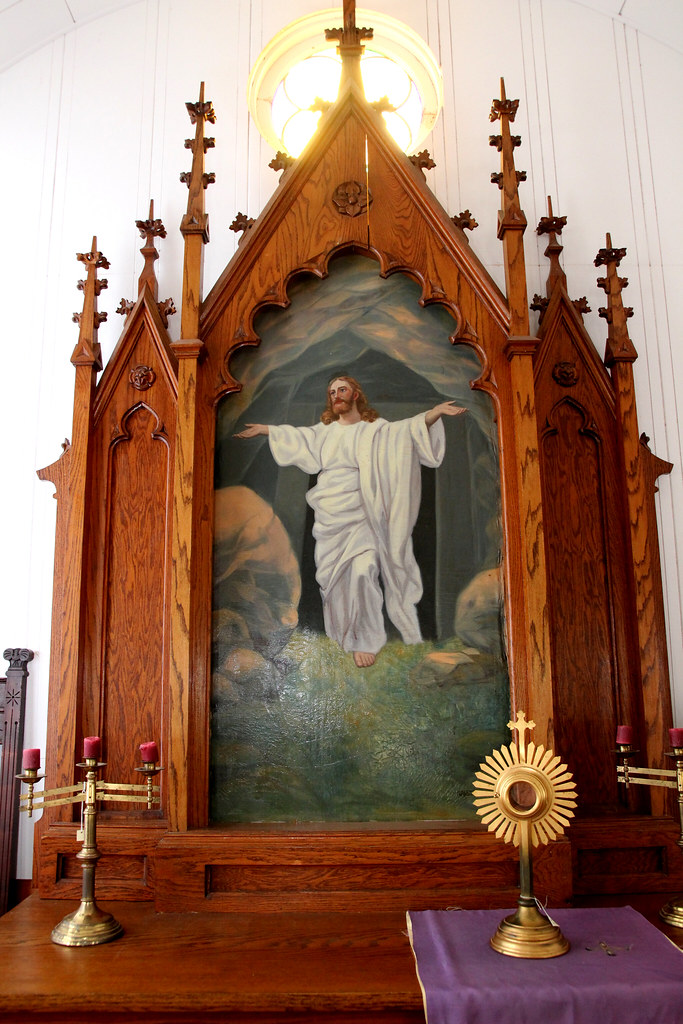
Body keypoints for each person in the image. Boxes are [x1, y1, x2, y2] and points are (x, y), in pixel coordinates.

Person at [235, 376, 465, 667]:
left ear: (355, 393)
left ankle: (364, 640)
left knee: (363, 569)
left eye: (341, 390)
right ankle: (345, 637)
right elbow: (298, 437)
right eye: (331, 392)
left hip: (365, 512)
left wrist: (436, 413)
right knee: (334, 581)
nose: (336, 396)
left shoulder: (375, 430)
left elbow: (406, 432)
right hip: (331, 516)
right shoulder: (325, 432)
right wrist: (265, 430)